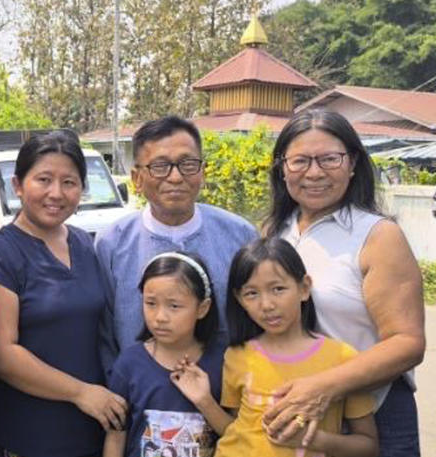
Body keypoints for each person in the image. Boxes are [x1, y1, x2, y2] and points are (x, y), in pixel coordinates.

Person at [262, 109, 425, 456]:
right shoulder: (273, 234)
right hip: (291, 413)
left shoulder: (378, 236)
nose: (315, 172)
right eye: (300, 161)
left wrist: (323, 387)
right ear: (282, 168)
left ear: (352, 164)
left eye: (330, 159)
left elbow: (407, 342)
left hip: (374, 416)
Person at [0, 130, 123, 457]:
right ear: (17, 185)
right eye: (43, 179)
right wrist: (81, 393)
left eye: (69, 182)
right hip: (26, 433)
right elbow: (1, 353)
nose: (56, 193)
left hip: (89, 426)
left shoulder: (85, 243)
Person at [96, 115, 257, 354]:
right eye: (160, 166)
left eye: (188, 164)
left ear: (202, 171)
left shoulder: (239, 235)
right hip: (136, 388)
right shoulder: (111, 243)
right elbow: (105, 333)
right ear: (136, 178)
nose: (175, 177)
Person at [214, 237, 377, 457]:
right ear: (239, 299)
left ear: (304, 288)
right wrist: (203, 400)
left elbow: (368, 446)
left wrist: (316, 441)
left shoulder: (342, 357)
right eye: (251, 293)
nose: (267, 305)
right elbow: (237, 427)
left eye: (278, 289)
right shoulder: (237, 356)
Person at [103, 252, 225, 457]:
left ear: (202, 308)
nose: (160, 317)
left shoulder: (223, 360)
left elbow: (239, 434)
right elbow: (116, 436)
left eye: (174, 306)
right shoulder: (130, 364)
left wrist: (205, 401)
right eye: (151, 303)